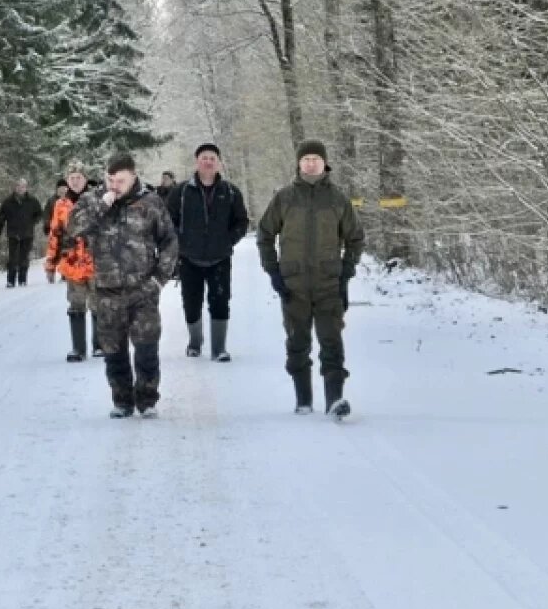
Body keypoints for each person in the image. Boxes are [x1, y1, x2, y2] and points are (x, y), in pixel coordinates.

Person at [257, 140, 364, 418]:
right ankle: (303, 400)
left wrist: (346, 271)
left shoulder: (338, 199)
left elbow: (355, 238)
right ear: (299, 163)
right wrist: (274, 271)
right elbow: (265, 235)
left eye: (316, 158)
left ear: (324, 163)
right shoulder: (284, 198)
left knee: (331, 342)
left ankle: (334, 400)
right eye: (306, 159)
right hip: (294, 285)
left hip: (329, 284)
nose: (311, 163)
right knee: (297, 342)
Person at [69, 152, 178, 418]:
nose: (114, 185)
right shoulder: (94, 199)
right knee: (113, 350)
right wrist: (102, 205)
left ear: (133, 176)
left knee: (146, 348)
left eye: (120, 180)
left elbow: (169, 242)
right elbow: (73, 227)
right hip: (106, 290)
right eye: (110, 179)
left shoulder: (150, 202)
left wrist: (158, 279)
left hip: (143, 289)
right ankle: (122, 401)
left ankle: (147, 400)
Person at [167, 143, 250, 362]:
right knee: (191, 303)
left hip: (220, 258)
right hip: (189, 258)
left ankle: (219, 348)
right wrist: (181, 242)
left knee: (220, 301)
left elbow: (242, 221)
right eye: (204, 157)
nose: (208, 161)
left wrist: (227, 240)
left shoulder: (230, 192)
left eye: (212, 158)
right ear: (197, 162)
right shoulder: (182, 192)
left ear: (218, 162)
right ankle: (195, 342)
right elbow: (168, 221)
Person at [46, 163, 99, 361]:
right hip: (72, 261)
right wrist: (51, 264)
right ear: (67, 181)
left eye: (79, 177)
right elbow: (55, 234)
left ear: (85, 179)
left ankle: (99, 345)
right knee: (76, 304)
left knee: (98, 303)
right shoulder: (61, 205)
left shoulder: (97, 199)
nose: (75, 181)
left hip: (96, 260)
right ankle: (78, 348)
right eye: (72, 178)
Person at [0, 179, 42, 288]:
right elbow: (2, 216)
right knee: (12, 258)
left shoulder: (33, 201)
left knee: (24, 257)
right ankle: (10, 281)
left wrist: (33, 222)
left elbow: (39, 214)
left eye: (23, 186)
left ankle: (22, 280)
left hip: (27, 233)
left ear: (26, 188)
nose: (20, 188)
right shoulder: (8, 202)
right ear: (15, 188)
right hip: (13, 233)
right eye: (18, 186)